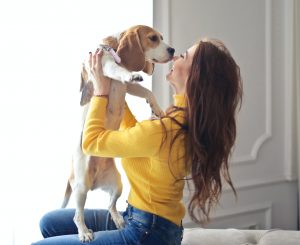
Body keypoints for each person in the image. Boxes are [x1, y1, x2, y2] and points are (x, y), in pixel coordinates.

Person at [32, 38, 243, 245]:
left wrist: (101, 92)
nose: (176, 56)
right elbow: (135, 133)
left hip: (146, 233)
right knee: (49, 223)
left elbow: (92, 142)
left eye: (184, 56)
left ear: (195, 76)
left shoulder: (165, 129)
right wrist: (114, 86)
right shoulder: (183, 119)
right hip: (150, 222)